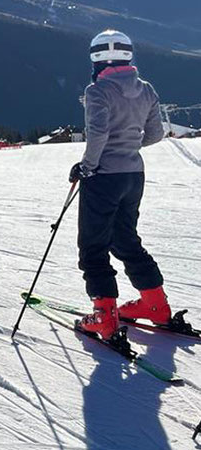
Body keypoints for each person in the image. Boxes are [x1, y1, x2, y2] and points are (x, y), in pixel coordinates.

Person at [72, 30, 169, 340]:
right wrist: (128, 145)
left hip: (104, 177)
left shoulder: (98, 90)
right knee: (125, 239)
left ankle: (104, 316)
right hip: (133, 175)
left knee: (93, 245)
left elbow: (97, 134)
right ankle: (155, 306)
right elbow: (155, 134)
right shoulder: (147, 90)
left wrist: (87, 167)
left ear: (95, 58)